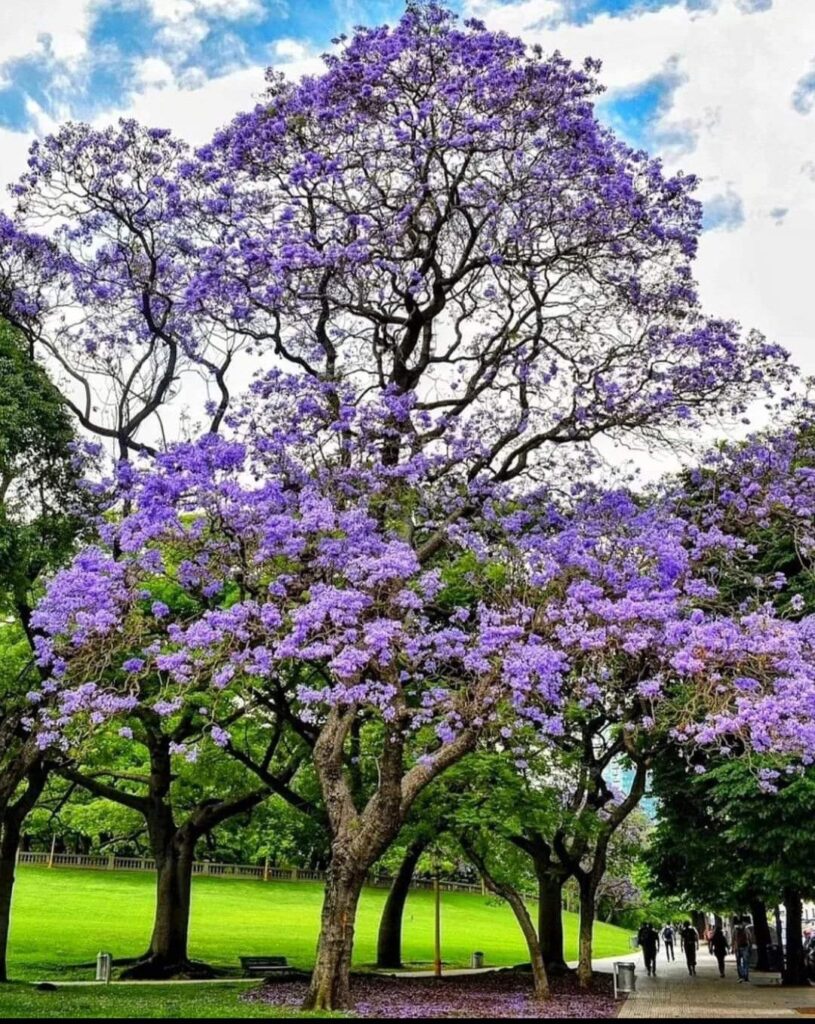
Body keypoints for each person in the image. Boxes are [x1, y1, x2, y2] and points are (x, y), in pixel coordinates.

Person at [733, 916, 754, 983]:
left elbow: (733, 939)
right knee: (745, 962)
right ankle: (746, 976)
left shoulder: (735, 930)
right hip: (745, 947)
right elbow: (750, 939)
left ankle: (740, 976)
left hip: (737, 947)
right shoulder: (746, 929)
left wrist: (733, 947)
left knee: (738, 963)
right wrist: (750, 947)